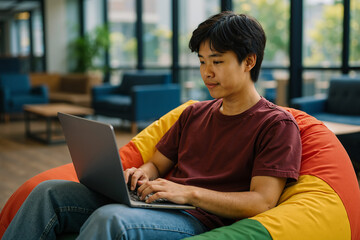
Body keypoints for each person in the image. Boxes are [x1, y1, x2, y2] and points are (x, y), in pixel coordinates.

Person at [3, 11, 301, 240]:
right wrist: (139, 175)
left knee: (111, 219)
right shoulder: (193, 114)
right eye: (201, 62)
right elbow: (156, 165)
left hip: (198, 218)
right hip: (159, 203)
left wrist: (188, 193)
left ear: (249, 62)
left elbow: (262, 202)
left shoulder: (276, 124)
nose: (206, 73)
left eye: (217, 62)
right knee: (48, 192)